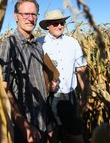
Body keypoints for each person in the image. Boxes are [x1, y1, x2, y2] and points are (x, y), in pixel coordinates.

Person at [0, 0, 47, 143]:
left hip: (41, 120)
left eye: (34, 14)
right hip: (23, 128)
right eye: (26, 14)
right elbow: (2, 90)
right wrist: (24, 126)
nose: (30, 18)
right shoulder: (9, 45)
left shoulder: (37, 46)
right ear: (16, 16)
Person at [37, 10, 89, 143]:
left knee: (76, 135)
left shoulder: (72, 43)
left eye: (62, 23)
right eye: (55, 23)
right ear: (48, 25)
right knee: (50, 135)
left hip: (69, 98)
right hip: (47, 98)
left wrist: (84, 95)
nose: (60, 26)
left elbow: (81, 69)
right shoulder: (38, 44)